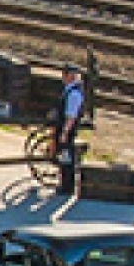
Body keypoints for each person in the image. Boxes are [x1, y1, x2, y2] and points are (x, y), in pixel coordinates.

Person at [53, 66, 86, 196]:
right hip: (64, 128)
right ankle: (65, 184)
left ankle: (67, 186)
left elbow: (71, 116)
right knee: (64, 157)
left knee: (66, 158)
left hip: (67, 129)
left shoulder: (73, 94)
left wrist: (65, 132)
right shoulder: (70, 91)